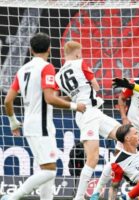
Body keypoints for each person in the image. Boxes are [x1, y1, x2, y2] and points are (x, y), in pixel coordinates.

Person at [2, 33, 86, 200]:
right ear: (49, 48)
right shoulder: (46, 67)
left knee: (47, 169)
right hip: (41, 126)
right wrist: (75, 106)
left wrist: (12, 122)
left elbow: (7, 101)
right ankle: (13, 196)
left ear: (30, 49)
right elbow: (49, 98)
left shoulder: (22, 69)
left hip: (31, 124)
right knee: (49, 171)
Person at [54, 41, 122, 200]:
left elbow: (57, 98)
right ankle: (79, 197)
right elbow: (96, 87)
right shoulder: (80, 63)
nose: (82, 55)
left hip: (89, 112)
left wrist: (75, 97)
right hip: (87, 113)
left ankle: (110, 179)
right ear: (77, 53)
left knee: (123, 134)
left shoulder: (58, 76)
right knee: (93, 158)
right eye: (81, 52)